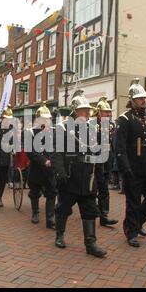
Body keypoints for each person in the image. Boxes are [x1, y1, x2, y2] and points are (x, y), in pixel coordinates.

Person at [51, 91, 107, 258]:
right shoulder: (62, 128)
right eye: (83, 110)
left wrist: (99, 173)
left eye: (88, 110)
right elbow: (57, 154)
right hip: (70, 176)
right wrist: (61, 174)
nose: (87, 113)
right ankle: (59, 235)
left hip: (87, 177)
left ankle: (91, 243)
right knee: (63, 208)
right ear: (75, 111)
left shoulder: (91, 129)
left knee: (90, 210)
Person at [116, 78, 146, 248]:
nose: (144, 100)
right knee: (133, 200)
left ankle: (135, 223)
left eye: (145, 98)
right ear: (132, 100)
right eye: (140, 98)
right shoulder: (125, 119)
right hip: (133, 165)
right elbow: (120, 147)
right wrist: (125, 168)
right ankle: (131, 232)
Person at [25, 102, 56, 229]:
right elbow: (30, 152)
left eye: (47, 119)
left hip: (50, 168)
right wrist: (44, 160)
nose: (46, 121)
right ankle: (35, 213)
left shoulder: (53, 132)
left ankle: (50, 218)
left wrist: (53, 159)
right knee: (34, 191)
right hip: (37, 168)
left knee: (52, 192)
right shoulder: (30, 132)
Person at [92, 97, 119, 227]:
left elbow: (113, 143)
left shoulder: (112, 125)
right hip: (95, 162)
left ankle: (104, 215)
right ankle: (93, 212)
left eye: (109, 111)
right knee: (94, 188)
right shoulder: (91, 125)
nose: (108, 114)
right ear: (98, 112)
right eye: (105, 112)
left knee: (104, 189)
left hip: (108, 160)